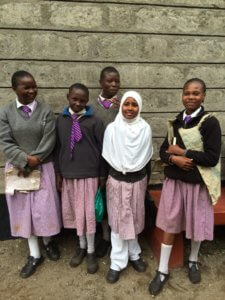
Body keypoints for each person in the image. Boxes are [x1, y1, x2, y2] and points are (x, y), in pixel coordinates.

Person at [148, 78, 221, 296]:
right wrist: (174, 160)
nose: (191, 97)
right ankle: (162, 270)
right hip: (174, 184)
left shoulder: (210, 122)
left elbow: (212, 157)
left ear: (204, 96)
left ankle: (193, 260)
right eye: (187, 93)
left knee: (197, 223)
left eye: (196, 93)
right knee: (170, 225)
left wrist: (184, 153)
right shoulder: (176, 122)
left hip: (197, 185)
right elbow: (163, 151)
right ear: (182, 95)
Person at [0, 70, 61, 278]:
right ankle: (35, 254)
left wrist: (37, 158)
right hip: (19, 170)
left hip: (43, 167)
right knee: (24, 211)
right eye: (26, 87)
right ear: (14, 89)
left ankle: (48, 242)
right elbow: (5, 141)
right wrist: (25, 160)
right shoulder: (6, 113)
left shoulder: (45, 111)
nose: (32, 91)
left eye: (34, 86)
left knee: (44, 209)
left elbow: (49, 138)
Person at [55, 83, 106, 274]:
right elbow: (57, 148)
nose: (78, 103)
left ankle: (92, 251)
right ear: (67, 96)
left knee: (89, 215)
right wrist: (58, 172)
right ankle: (82, 246)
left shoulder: (95, 122)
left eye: (83, 100)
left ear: (88, 101)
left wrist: (102, 174)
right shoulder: (60, 120)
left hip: (90, 176)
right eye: (74, 99)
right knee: (77, 214)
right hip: (69, 175)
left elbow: (103, 151)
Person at [102, 91, 153, 283]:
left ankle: (134, 255)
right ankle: (117, 262)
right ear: (121, 105)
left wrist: (145, 183)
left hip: (138, 181)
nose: (130, 108)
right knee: (117, 222)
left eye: (134, 105)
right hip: (116, 181)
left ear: (139, 107)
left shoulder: (145, 129)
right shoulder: (112, 129)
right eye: (126, 104)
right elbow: (106, 158)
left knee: (134, 219)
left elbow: (146, 159)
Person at [94, 66, 121, 258]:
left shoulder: (123, 105)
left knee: (117, 199)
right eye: (109, 81)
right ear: (101, 83)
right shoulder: (90, 106)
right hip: (97, 159)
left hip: (117, 160)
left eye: (116, 81)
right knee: (101, 197)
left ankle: (118, 236)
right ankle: (105, 236)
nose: (113, 84)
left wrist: (121, 112)